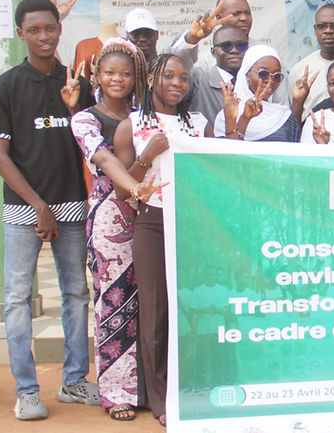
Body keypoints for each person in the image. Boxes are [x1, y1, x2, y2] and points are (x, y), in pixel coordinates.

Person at [0, 0, 99, 421]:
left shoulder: (76, 84)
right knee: (17, 300)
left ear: (59, 29)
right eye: (33, 30)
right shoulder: (7, 85)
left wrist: (76, 108)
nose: (43, 36)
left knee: (76, 293)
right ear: (21, 33)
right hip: (23, 210)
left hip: (71, 203)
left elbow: (93, 145)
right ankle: (27, 390)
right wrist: (38, 207)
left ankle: (73, 380)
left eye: (49, 28)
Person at [69, 38, 163, 421]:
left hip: (151, 209)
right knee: (113, 301)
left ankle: (148, 387)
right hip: (110, 214)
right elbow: (105, 159)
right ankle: (115, 391)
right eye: (109, 72)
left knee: (150, 301)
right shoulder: (85, 118)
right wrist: (136, 179)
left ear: (137, 77)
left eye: (125, 73)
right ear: (97, 75)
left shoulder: (146, 115)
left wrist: (143, 186)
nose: (117, 79)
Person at [113, 52, 206, 427]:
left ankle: (191, 389)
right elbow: (123, 191)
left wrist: (236, 123)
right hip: (151, 222)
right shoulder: (130, 125)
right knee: (155, 312)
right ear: (152, 79)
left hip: (191, 224)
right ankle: (160, 398)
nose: (176, 84)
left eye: (183, 78)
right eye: (168, 76)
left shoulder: (199, 123)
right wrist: (146, 156)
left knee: (189, 310)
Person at [214, 45, 300, 142]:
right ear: (247, 73)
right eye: (263, 73)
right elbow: (228, 155)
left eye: (276, 76)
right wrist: (243, 119)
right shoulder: (227, 115)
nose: (270, 81)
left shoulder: (285, 116)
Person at [290, 4, 334, 120]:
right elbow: (294, 117)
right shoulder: (300, 70)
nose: (328, 31)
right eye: (322, 26)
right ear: (315, 30)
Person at [171, 0, 253, 69]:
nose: (244, 18)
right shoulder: (204, 61)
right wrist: (193, 38)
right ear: (219, 18)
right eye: (236, 14)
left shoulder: (263, 51)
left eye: (248, 13)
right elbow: (174, 67)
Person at [186, 25, 248, 124]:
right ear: (213, 52)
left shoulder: (257, 81)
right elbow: (172, 70)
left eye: (241, 46)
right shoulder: (198, 79)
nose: (234, 50)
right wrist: (191, 39)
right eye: (226, 46)